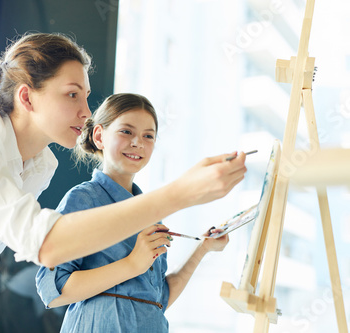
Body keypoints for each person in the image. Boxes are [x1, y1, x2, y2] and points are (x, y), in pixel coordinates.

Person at [0, 32, 246, 333]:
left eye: (86, 96)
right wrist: (181, 193)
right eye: (73, 94)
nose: (86, 112)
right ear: (27, 96)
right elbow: (45, 246)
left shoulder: (40, 165)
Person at [36, 93, 232, 332]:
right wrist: (132, 264)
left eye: (148, 136)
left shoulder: (151, 213)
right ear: (99, 136)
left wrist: (203, 248)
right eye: (126, 131)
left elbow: (156, 299)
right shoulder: (84, 199)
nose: (138, 142)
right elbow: (54, 290)